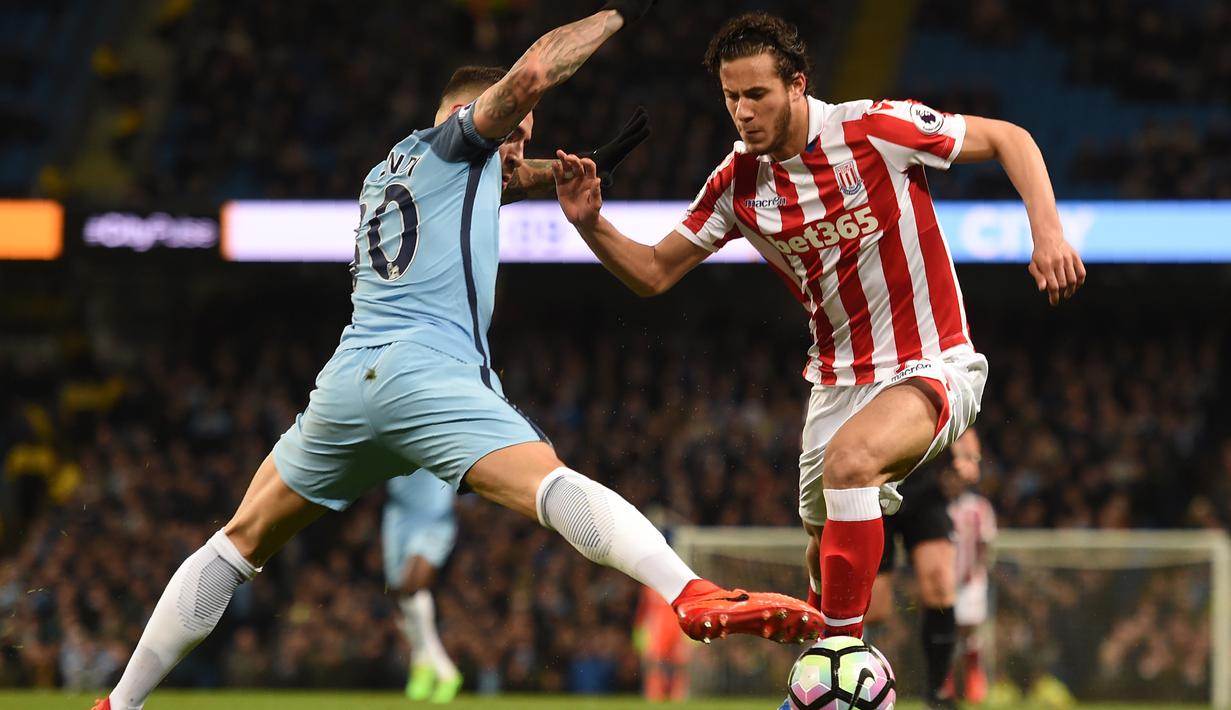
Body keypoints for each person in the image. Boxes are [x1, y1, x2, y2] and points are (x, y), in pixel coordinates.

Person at [92, 5, 821, 710]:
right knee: (549, 482)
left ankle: (120, 702)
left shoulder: (391, 173)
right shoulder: (456, 142)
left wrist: (580, 167)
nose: (516, 146)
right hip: (424, 373)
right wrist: (616, 15)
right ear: (466, 114)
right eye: (512, 132)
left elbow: (508, 177)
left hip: (349, 381)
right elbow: (532, 74)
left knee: (237, 541)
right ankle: (686, 591)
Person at [553, 10, 1084, 645]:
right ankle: (826, 664)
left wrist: (1048, 233)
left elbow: (1010, 137)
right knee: (821, 555)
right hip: (835, 385)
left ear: (798, 85)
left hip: (932, 359)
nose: (743, 112)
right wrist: (590, 224)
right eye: (731, 97)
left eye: (757, 94)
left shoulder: (872, 128)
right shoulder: (736, 182)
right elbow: (654, 272)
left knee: (852, 464)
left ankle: (841, 665)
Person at [863, 429, 983, 709]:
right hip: (874, 487)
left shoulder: (927, 384)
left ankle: (938, 692)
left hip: (925, 488)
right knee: (874, 608)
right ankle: (851, 684)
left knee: (941, 586)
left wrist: (969, 458)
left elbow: (962, 420)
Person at [383, 471, 462, 703]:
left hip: (435, 516)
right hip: (399, 515)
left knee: (412, 586)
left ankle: (445, 672)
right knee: (398, 593)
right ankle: (422, 662)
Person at [944, 435, 996, 704]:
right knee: (947, 630)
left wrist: (975, 572)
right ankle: (948, 680)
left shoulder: (979, 507)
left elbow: (984, 543)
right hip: (944, 578)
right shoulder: (940, 507)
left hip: (971, 579)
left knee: (970, 628)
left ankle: (974, 678)